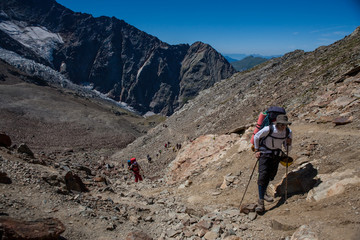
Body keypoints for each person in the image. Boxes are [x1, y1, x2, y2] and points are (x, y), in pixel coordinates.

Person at [253, 114, 292, 213]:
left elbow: (287, 149)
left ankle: (264, 192)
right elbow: (256, 136)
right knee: (262, 176)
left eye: (285, 125)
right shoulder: (268, 129)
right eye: (281, 125)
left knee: (271, 176)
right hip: (265, 154)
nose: (283, 127)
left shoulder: (288, 132)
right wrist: (257, 150)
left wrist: (288, 143)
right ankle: (261, 203)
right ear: (277, 124)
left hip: (276, 155)